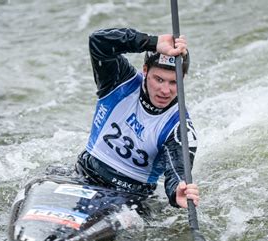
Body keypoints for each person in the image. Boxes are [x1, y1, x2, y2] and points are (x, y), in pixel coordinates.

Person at [75, 28, 200, 209]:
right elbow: (99, 41)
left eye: (173, 82)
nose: (165, 90)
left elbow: (176, 174)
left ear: (183, 79)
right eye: (158, 79)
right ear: (145, 71)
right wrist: (152, 42)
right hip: (84, 175)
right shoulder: (119, 81)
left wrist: (177, 192)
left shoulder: (180, 129)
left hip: (130, 199)